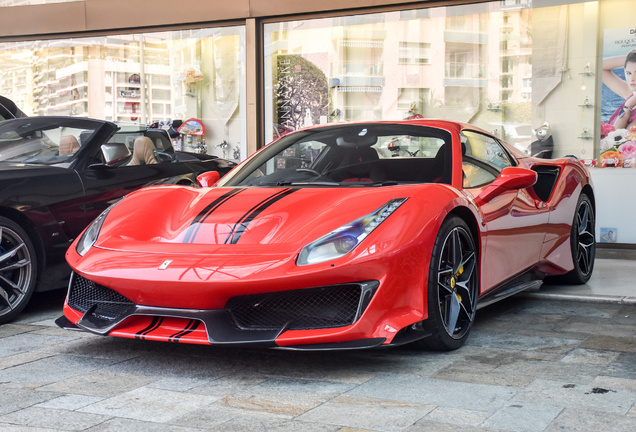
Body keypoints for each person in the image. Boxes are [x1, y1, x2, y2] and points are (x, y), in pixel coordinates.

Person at [603, 49, 636, 130]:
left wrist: (628, 106)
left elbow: (622, 137)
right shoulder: (630, 93)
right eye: (629, 73)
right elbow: (599, 66)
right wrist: (630, 58)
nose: (632, 78)